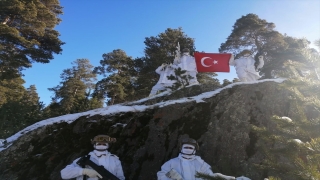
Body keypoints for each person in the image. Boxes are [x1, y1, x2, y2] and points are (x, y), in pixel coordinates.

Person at [157, 137, 236, 180]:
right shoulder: (171, 163)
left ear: (194, 150)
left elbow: (209, 176)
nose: (188, 149)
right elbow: (161, 175)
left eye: (190, 148)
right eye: (186, 147)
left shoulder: (201, 163)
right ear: (181, 149)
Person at [60, 135, 125, 180]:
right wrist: (84, 171)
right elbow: (64, 174)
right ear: (94, 145)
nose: (101, 145)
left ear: (108, 145)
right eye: (99, 144)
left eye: (104, 144)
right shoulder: (85, 159)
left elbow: (121, 177)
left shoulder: (115, 160)